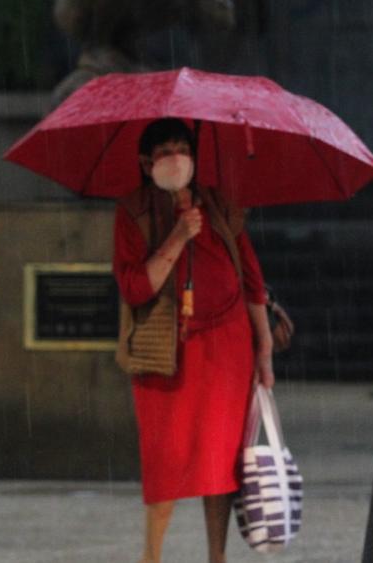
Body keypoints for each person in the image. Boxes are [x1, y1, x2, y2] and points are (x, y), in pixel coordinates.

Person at [113, 119, 275, 563]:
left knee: (220, 462)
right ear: (146, 163)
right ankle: (152, 555)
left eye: (182, 147)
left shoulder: (218, 203)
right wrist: (179, 235)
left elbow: (252, 279)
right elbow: (135, 288)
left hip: (227, 347)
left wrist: (264, 348)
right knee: (167, 460)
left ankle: (216, 556)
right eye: (164, 151)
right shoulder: (133, 212)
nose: (175, 158)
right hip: (166, 349)